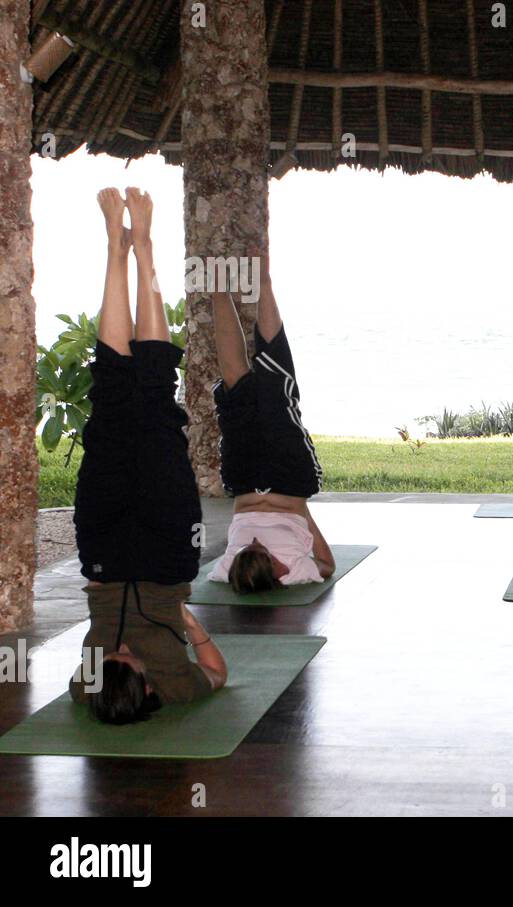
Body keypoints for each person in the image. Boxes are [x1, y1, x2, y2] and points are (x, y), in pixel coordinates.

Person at [69, 187, 227, 724]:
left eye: (115, 658)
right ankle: (136, 253)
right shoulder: (154, 684)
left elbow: (214, 673)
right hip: (149, 550)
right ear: (144, 683)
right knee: (143, 394)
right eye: (127, 663)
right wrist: (182, 620)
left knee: (124, 393)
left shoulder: (100, 683)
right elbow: (217, 676)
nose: (123, 653)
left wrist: (182, 623)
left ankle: (124, 249)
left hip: (121, 548)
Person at [206, 250, 333, 593]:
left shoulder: (294, 570)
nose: (258, 542)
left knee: (272, 384)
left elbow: (328, 566)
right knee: (237, 386)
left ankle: (256, 282)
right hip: (249, 481)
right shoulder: (226, 569)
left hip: (283, 482)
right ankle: (222, 286)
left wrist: (302, 516)